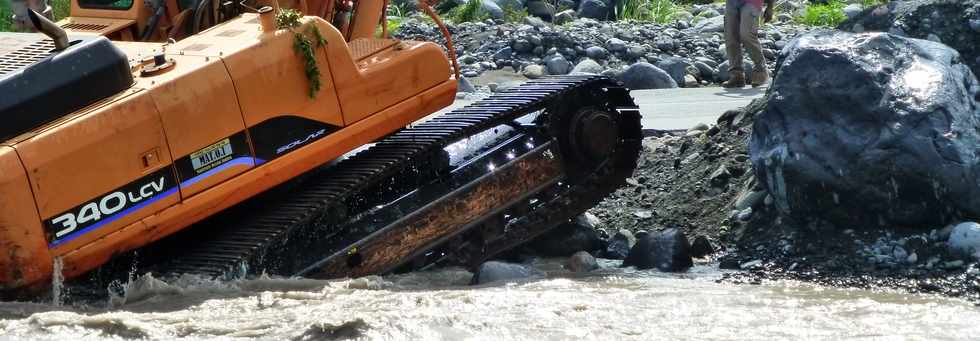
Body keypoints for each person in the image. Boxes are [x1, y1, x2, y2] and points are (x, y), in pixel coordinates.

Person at [723, 0, 774, 88]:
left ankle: (761, 70)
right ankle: (736, 75)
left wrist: (770, 7)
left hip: (752, 2)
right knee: (731, 37)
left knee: (746, 34)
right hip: (731, 2)